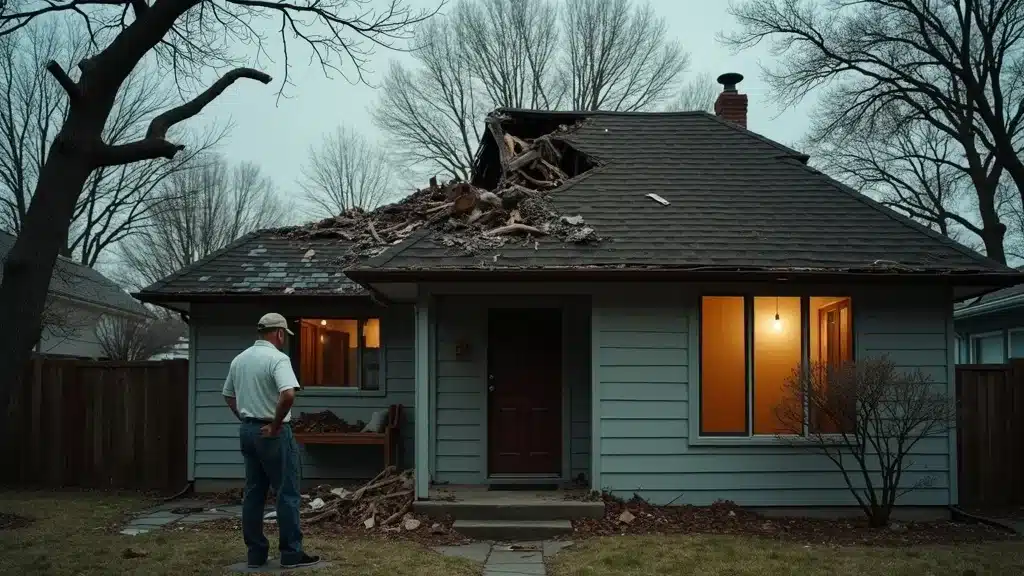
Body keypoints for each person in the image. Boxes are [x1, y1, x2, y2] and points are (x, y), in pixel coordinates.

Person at [222, 312, 320, 570]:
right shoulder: (278, 358)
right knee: (286, 492)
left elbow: (229, 396)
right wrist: (275, 426)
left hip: (248, 431)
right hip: (273, 434)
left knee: (254, 493)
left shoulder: (239, 360)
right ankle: (291, 554)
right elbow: (288, 394)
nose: (284, 340)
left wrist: (246, 419)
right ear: (278, 333)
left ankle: (256, 554)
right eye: (283, 336)